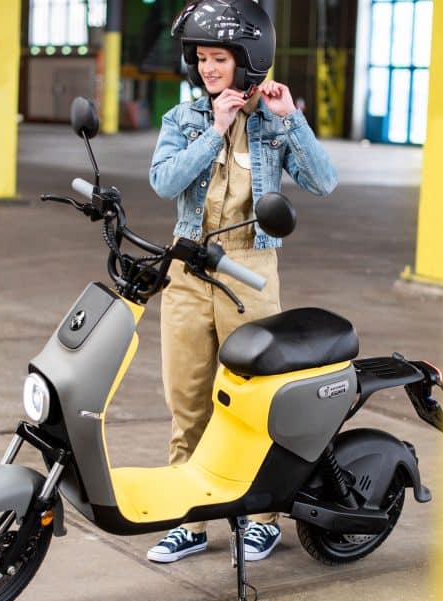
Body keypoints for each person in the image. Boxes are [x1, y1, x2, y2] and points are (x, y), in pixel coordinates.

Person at [147, 0, 338, 564]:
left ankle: (260, 517)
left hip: (251, 270)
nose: (207, 69)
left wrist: (290, 118)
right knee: (187, 401)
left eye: (219, 58)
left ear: (248, 60)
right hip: (188, 271)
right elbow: (163, 182)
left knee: (252, 400)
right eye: (202, 58)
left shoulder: (273, 123)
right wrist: (216, 129)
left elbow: (323, 182)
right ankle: (189, 517)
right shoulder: (184, 120)